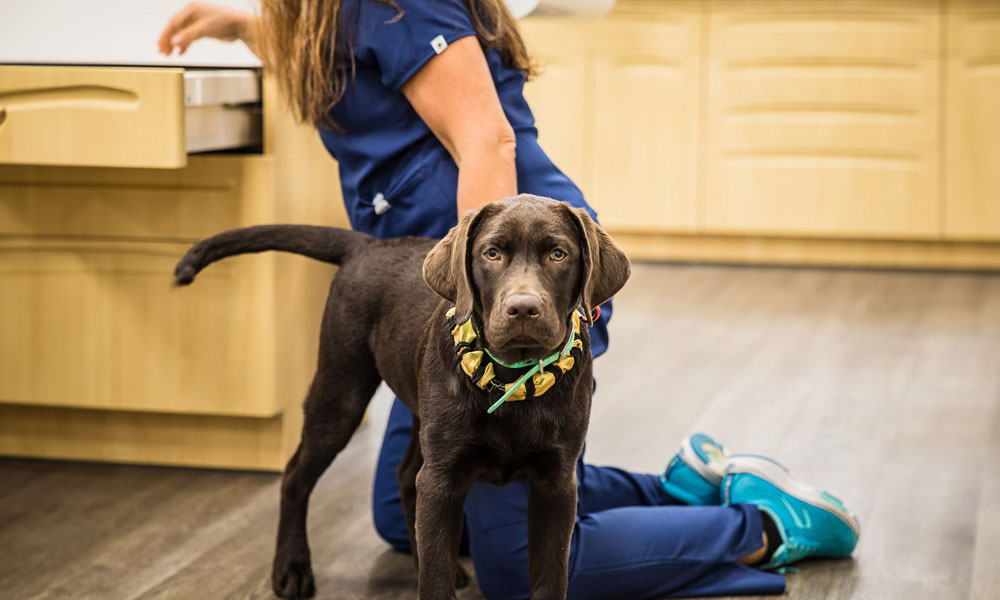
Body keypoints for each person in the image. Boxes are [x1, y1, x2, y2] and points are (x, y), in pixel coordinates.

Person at [159, 2, 860, 598]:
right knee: (406, 513)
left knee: (519, 560)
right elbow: (360, 60)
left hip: (525, 279)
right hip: (443, 289)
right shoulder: (333, 12)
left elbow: (488, 143)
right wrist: (250, 27)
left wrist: (476, 310)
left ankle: (765, 524)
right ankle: (685, 485)